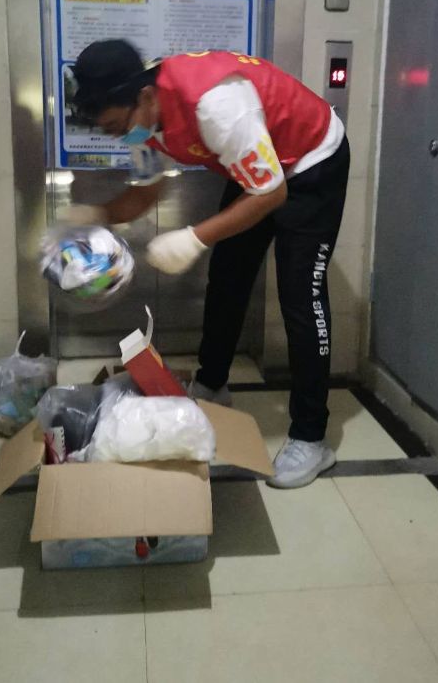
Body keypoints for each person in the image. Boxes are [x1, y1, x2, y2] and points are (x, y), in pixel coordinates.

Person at [65, 39, 350, 488]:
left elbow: (272, 194)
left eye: (118, 126)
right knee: (228, 275)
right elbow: (145, 192)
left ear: (144, 96)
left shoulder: (216, 106)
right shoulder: (142, 122)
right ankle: (213, 384)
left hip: (313, 160)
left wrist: (194, 237)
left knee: (301, 297)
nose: (120, 137)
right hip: (263, 166)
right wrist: (95, 214)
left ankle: (312, 438)